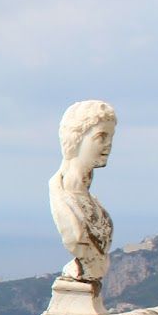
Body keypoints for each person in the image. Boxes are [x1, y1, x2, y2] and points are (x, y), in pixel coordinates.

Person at [50, 100, 116, 283]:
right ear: (75, 138)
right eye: (101, 136)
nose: (108, 144)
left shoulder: (92, 201)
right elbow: (76, 238)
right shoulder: (62, 195)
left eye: (111, 137)